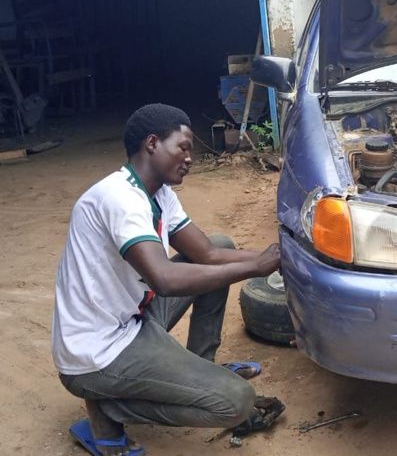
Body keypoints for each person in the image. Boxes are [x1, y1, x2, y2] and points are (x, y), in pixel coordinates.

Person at [52, 103, 284, 456]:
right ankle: (109, 407)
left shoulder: (158, 193)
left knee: (221, 244)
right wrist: (255, 268)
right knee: (237, 402)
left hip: (132, 316)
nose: (190, 157)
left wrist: (272, 257)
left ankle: (201, 366)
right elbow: (165, 280)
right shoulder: (120, 198)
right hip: (98, 351)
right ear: (152, 144)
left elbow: (208, 253)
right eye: (183, 147)